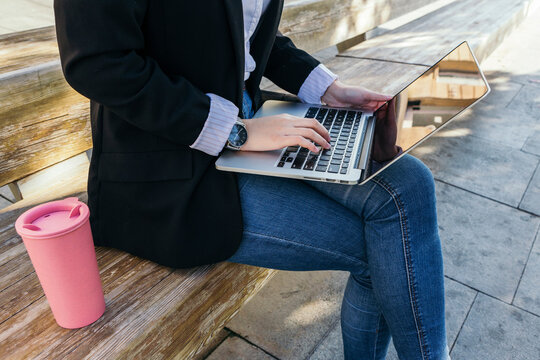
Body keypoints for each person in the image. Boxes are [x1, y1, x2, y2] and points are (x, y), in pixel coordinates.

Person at [54, 0, 449, 358]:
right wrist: (234, 131)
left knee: (409, 183)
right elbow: (97, 63)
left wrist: (328, 89)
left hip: (252, 124)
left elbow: (244, 30)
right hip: (168, 166)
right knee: (385, 251)